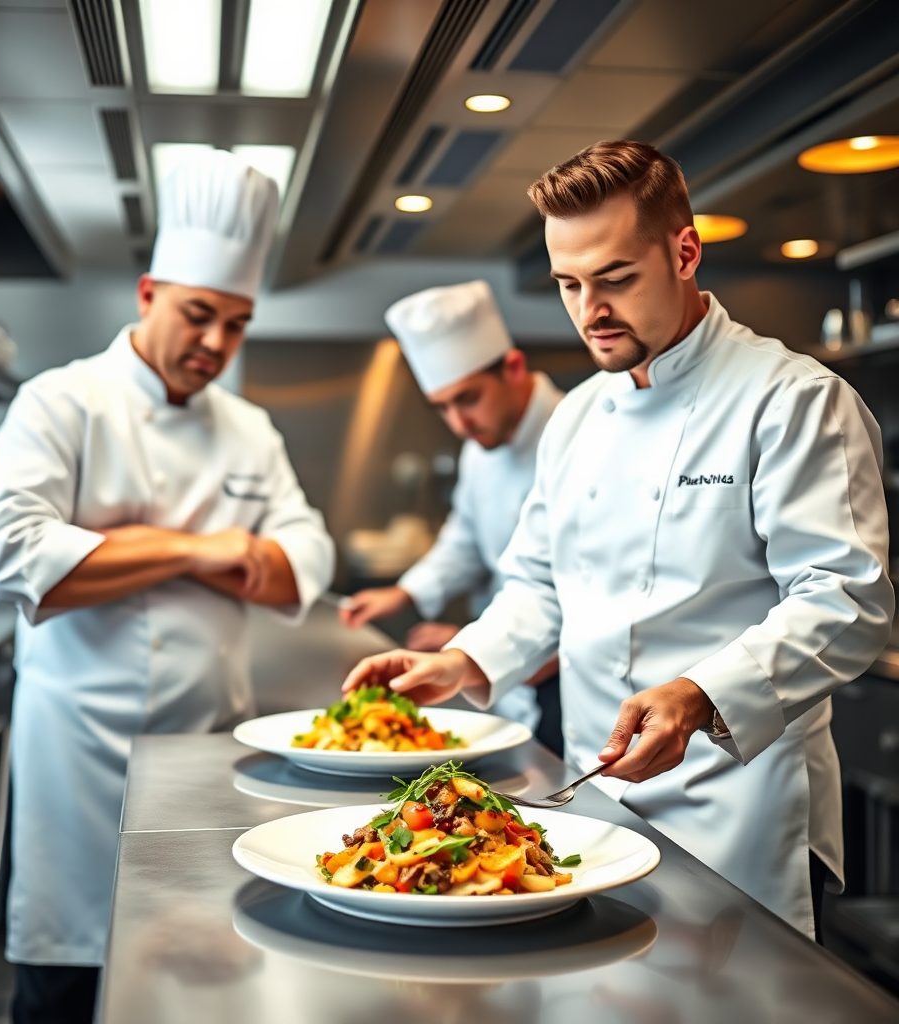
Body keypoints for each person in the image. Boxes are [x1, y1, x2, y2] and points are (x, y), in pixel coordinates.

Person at [343, 140, 893, 941]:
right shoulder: (576, 417)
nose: (590, 310)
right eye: (569, 283)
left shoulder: (792, 401)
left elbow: (849, 602)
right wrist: (461, 659)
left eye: (616, 279)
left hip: (739, 807)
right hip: (593, 803)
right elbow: (537, 583)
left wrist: (701, 692)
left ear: (685, 251)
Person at [0, 150, 334, 1023]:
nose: (215, 344)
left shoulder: (249, 430)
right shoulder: (62, 404)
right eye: (199, 315)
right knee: (66, 986)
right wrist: (200, 551)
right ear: (147, 295)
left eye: (237, 325)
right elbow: (14, 560)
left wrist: (127, 547)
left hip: (211, 769)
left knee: (202, 990)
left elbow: (308, 559)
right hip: (79, 770)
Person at [339, 280, 563, 746]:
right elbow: (465, 536)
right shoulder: (479, 447)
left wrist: (468, 643)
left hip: (558, 677)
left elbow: (572, 592)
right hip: (502, 662)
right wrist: (406, 592)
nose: (459, 423)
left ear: (514, 368)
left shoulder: (572, 435)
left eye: (468, 398)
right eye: (443, 408)